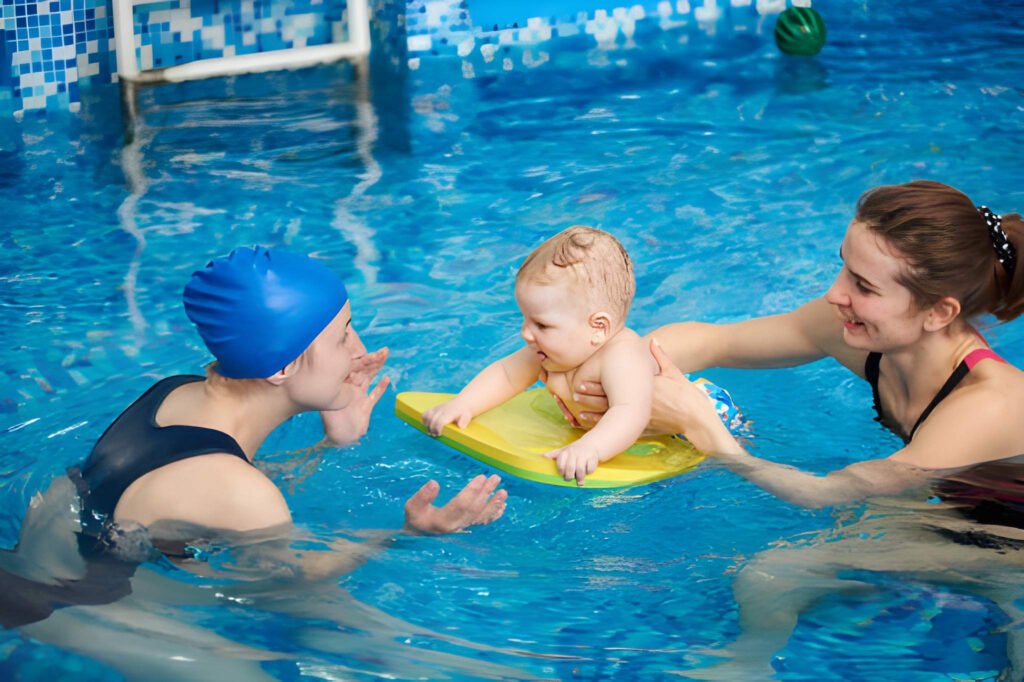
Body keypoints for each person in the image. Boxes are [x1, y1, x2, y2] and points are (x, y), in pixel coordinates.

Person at [571, 181, 1024, 676]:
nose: (836, 294)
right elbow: (714, 342)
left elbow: (825, 495)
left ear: (939, 313)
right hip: (950, 505)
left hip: (1011, 546)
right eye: (845, 268)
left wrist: (710, 435)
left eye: (864, 287)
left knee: (771, 573)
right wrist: (613, 373)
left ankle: (745, 668)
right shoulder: (858, 331)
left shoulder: (988, 403)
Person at [2, 246, 507, 631]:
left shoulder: (177, 392)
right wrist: (408, 533)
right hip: (74, 607)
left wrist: (334, 443)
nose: (361, 351)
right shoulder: (241, 491)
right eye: (343, 335)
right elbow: (289, 581)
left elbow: (202, 492)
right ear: (283, 365)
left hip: (44, 552)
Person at [423, 225, 655, 485]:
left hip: (653, 447)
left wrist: (592, 447)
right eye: (525, 319)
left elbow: (630, 411)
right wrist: (463, 404)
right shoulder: (553, 349)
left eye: (541, 325)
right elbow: (507, 374)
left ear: (598, 327)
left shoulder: (622, 355)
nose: (526, 333)